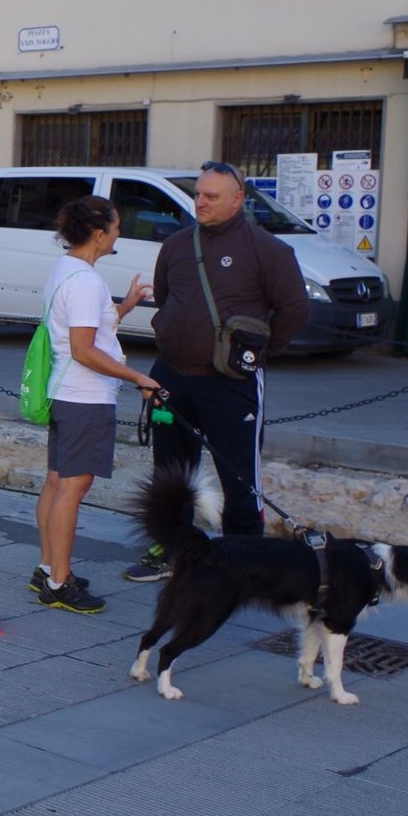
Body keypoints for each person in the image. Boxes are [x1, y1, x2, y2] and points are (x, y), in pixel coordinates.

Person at [123, 160, 310, 581]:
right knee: (171, 471)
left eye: (211, 196)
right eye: (198, 194)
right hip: (172, 377)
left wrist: (259, 354)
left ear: (238, 199)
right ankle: (172, 550)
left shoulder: (267, 250)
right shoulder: (177, 245)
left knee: (239, 474)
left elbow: (294, 309)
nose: (200, 202)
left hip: (230, 383)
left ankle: (244, 560)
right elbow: (166, 297)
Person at [33, 197, 160, 613]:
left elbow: (88, 329)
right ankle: (59, 582)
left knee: (57, 481)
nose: (119, 234)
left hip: (64, 391)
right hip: (85, 396)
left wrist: (125, 306)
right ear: (99, 234)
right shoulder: (86, 282)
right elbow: (84, 349)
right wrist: (138, 377)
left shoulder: (66, 269)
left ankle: (48, 568)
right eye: (116, 227)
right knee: (72, 487)